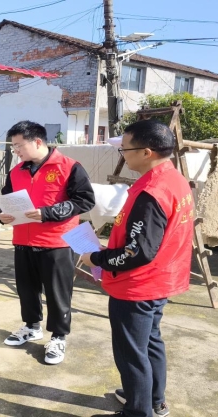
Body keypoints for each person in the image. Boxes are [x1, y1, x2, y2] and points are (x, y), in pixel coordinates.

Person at [82, 119, 194, 417]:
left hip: (138, 285)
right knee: (150, 341)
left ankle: (138, 411)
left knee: (131, 353)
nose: (122, 155)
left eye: (125, 149)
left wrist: (97, 259)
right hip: (160, 279)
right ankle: (153, 400)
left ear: (146, 152)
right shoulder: (174, 179)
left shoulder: (151, 192)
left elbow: (137, 252)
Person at [0, 120, 95, 365]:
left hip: (56, 242)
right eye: (13, 146)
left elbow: (84, 200)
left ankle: (59, 336)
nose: (16, 150)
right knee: (26, 289)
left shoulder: (69, 167)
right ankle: (31, 327)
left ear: (38, 141)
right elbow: (6, 200)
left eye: (19, 145)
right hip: (23, 240)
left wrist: (47, 213)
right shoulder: (15, 172)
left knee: (57, 293)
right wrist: (2, 215)